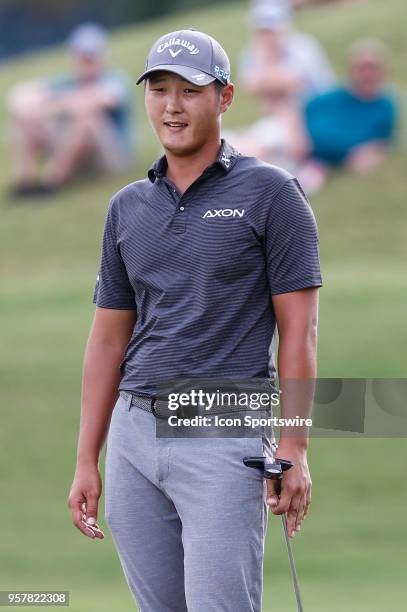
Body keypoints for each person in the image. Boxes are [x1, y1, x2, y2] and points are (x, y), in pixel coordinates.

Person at [67, 28, 322, 612]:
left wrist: (295, 446)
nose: (172, 106)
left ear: (225, 97)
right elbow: (108, 340)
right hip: (133, 436)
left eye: (189, 90)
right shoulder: (128, 206)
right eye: (159, 90)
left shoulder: (272, 193)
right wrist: (88, 458)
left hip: (222, 427)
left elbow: (299, 333)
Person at [7, 23, 134, 198]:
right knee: (29, 114)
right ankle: (25, 183)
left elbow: (97, 101)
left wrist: (53, 107)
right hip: (77, 148)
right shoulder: (66, 82)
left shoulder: (114, 80)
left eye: (91, 56)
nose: (86, 61)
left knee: (87, 118)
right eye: (82, 56)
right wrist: (39, 110)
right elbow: (20, 97)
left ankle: (51, 183)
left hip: (112, 157)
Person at [225, 0, 335, 171]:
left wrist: (269, 81)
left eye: (270, 30)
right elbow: (250, 85)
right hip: (278, 121)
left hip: (310, 121)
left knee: (252, 150)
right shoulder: (254, 53)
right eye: (262, 30)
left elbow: (295, 86)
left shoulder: (303, 49)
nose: (267, 36)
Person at [299, 38, 399, 192]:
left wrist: (372, 151)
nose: (367, 74)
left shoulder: (386, 105)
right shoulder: (331, 97)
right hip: (300, 149)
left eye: (372, 68)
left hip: (323, 163)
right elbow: (303, 113)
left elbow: (385, 139)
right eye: (361, 68)